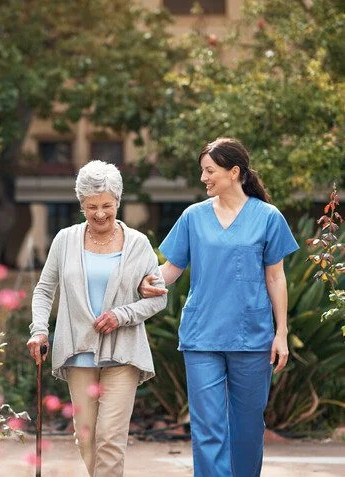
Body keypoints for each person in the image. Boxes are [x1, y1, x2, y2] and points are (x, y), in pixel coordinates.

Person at [139, 137, 299, 477]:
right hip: (202, 337)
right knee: (207, 429)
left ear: (234, 172)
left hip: (252, 337)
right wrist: (145, 282)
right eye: (202, 171)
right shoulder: (193, 217)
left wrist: (281, 333)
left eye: (209, 171)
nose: (203, 178)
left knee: (247, 429)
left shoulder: (268, 217)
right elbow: (170, 269)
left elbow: (276, 278)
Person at [27, 160, 168, 477]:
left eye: (107, 205)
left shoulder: (137, 244)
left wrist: (122, 315)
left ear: (118, 201)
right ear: (81, 205)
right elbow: (43, 290)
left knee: (110, 439)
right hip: (78, 353)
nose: (100, 214)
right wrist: (39, 331)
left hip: (123, 353)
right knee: (86, 438)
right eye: (92, 207)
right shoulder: (65, 240)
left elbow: (159, 299)